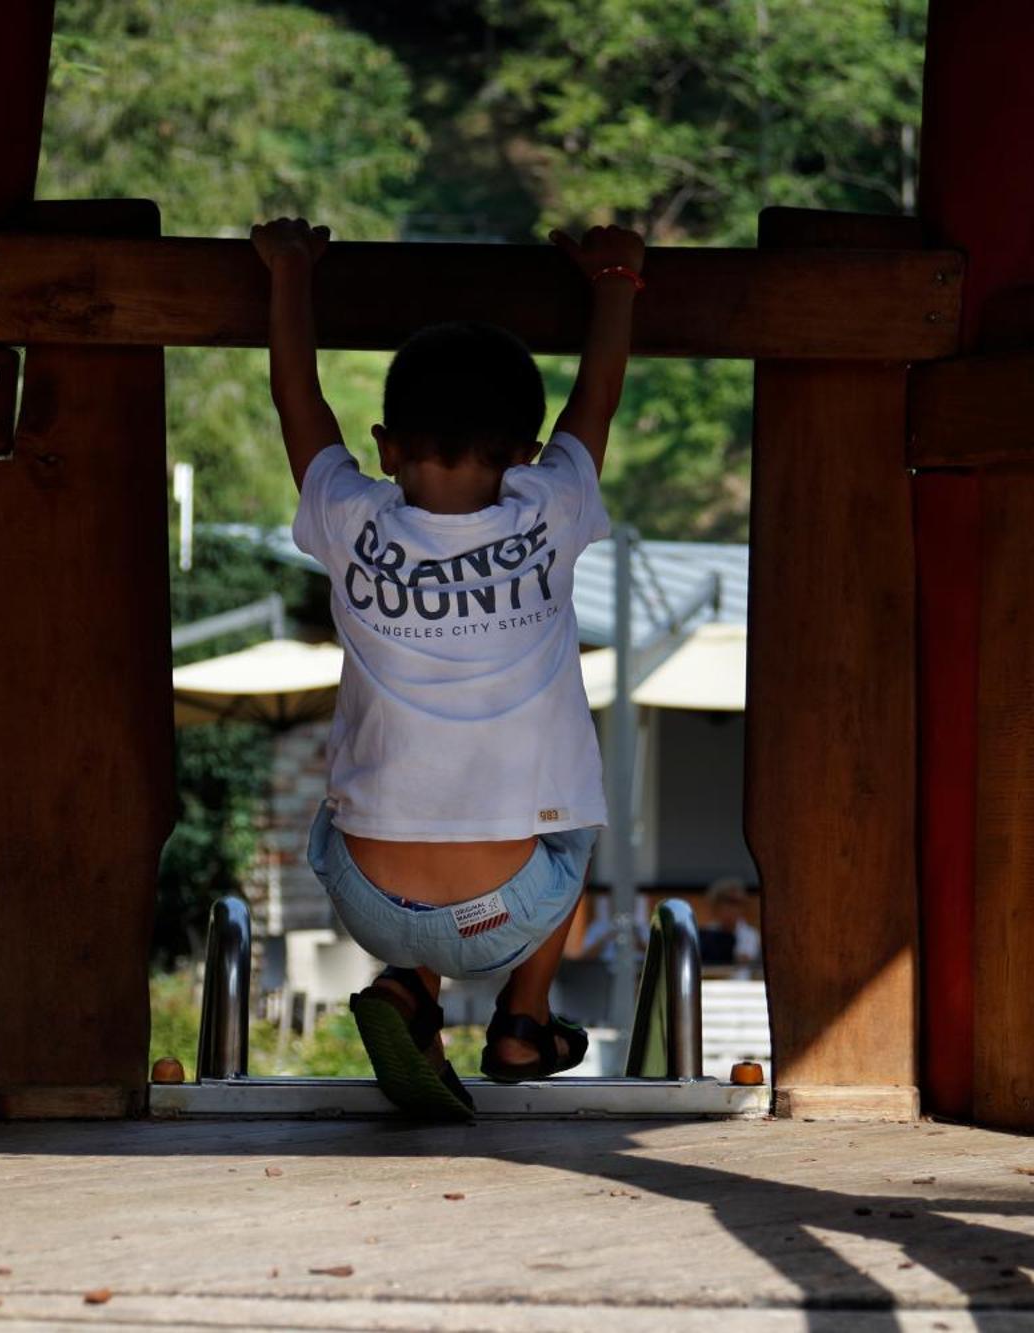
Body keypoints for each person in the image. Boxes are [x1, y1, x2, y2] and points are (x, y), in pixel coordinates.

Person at [252, 215, 643, 1120]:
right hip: (510, 909)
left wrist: (287, 272)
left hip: (363, 894)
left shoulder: (353, 522)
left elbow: (296, 402)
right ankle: (524, 1017)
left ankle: (409, 990)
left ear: (387, 448)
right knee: (575, 812)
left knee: (403, 787)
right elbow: (600, 397)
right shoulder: (550, 507)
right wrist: (617, 277)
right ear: (525, 455)